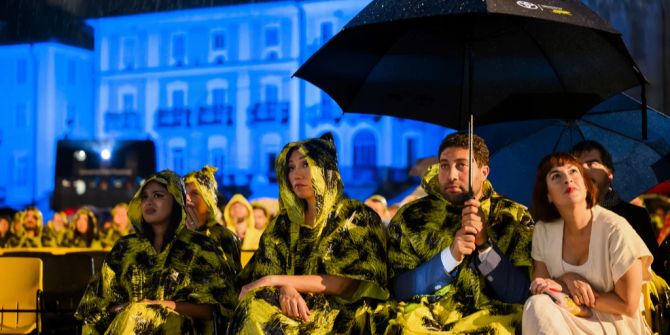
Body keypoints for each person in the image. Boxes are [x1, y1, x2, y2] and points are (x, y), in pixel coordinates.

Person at [229, 134, 390, 334]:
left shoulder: (356, 216)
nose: (297, 174)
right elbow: (262, 275)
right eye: (291, 167)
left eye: (306, 164)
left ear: (326, 169)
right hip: (288, 310)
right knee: (253, 307)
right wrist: (283, 287)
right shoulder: (281, 224)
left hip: (342, 319)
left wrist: (276, 281)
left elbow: (342, 284)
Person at [384, 132, 534, 333]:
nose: (451, 175)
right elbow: (400, 289)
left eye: (462, 165)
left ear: (484, 171)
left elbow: (522, 294)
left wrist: (485, 245)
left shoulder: (513, 216)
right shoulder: (412, 216)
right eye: (445, 165)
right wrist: (450, 257)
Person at [75, 170, 235, 334]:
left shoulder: (200, 246)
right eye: (144, 197)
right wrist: (128, 307)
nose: (149, 202)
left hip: (181, 327)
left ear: (176, 199)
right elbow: (97, 301)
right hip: (126, 323)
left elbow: (214, 309)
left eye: (158, 195)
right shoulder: (125, 247)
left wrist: (163, 305)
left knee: (139, 314)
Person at [523, 152, 659, 334]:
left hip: (615, 324)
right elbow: (540, 285)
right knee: (537, 304)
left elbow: (628, 305)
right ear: (547, 195)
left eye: (573, 172)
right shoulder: (543, 230)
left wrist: (576, 294)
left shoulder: (615, 229)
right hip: (567, 315)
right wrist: (567, 279)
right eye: (556, 176)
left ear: (586, 185)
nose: (567, 179)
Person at [571, 140, 664, 277]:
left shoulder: (635, 215)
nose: (583, 170)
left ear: (609, 173)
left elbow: (654, 268)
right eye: (575, 167)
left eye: (591, 163)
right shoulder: (562, 218)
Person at [183, 165, 241, 324]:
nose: (187, 199)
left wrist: (199, 238)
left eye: (194, 193)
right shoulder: (174, 234)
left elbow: (227, 290)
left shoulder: (225, 237)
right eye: (184, 193)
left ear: (208, 199)